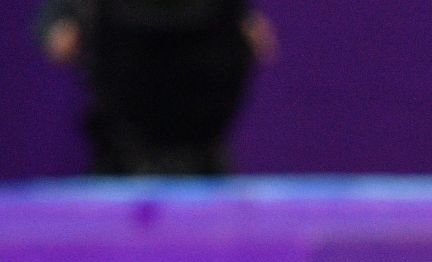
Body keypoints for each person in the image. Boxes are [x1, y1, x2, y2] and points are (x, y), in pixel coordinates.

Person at [39, 0, 277, 174]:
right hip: (121, 163)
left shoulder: (225, 17)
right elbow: (60, 42)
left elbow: (259, 42)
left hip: (204, 163)